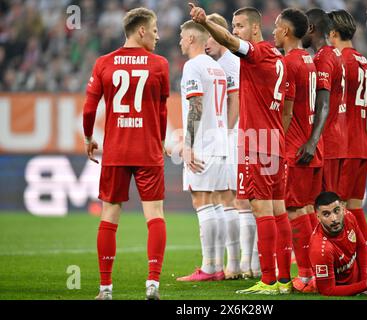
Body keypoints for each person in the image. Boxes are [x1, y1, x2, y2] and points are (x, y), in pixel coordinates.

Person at [190, 3, 293, 295]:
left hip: (256, 141)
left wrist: (205, 23)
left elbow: (229, 42)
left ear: (254, 28)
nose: (235, 31)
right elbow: (287, 109)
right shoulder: (279, 57)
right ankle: (284, 280)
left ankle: (270, 280)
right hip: (274, 140)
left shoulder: (257, 52)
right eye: (233, 26)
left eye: (239, 25)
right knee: (278, 210)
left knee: (260, 210)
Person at [82, 7, 169, 300]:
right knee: (155, 215)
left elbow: (89, 108)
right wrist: (157, 141)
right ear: (141, 30)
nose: (158, 37)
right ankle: (153, 285)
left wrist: (88, 137)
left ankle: (105, 289)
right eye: (155, 31)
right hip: (147, 150)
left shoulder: (104, 63)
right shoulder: (159, 65)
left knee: (109, 215)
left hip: (116, 152)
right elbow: (161, 111)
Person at [273, 8, 325, 294]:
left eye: (277, 27)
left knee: (294, 210)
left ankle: (306, 275)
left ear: (287, 32)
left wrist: (277, 144)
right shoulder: (309, 59)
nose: (273, 31)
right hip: (312, 147)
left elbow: (287, 112)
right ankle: (320, 270)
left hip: (294, 147)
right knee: (307, 210)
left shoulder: (290, 63)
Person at [205, 13, 261, 280]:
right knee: (237, 200)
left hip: (237, 136)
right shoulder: (226, 62)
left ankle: (243, 264)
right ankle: (245, 263)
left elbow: (236, 99)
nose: (207, 43)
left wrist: (223, 133)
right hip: (241, 135)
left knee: (237, 200)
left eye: (210, 36)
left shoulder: (229, 63)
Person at [176, 20, 229, 282]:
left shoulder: (193, 66)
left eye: (183, 37)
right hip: (220, 142)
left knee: (202, 203)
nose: (180, 42)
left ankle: (210, 268)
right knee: (215, 204)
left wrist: (187, 145)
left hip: (203, 145)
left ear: (193, 39)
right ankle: (217, 266)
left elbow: (195, 106)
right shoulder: (216, 67)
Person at [328, 10, 367, 241]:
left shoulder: (341, 61)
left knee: (337, 208)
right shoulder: (363, 61)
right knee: (354, 206)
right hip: (361, 143)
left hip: (343, 145)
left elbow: (336, 106)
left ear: (333, 33)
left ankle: (348, 260)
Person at [303, 9, 347, 194]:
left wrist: (312, 141)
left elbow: (324, 104)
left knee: (324, 207)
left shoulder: (324, 58)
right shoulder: (334, 54)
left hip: (327, 143)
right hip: (335, 140)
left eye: (302, 28)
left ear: (311, 28)